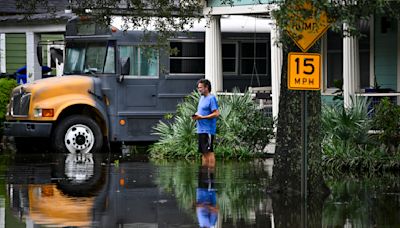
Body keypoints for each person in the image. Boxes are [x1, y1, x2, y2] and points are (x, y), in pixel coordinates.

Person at [192, 79, 219, 168]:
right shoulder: (202, 98)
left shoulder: (211, 98)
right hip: (200, 129)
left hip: (208, 130)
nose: (199, 89)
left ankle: (210, 176)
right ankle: (204, 175)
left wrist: (202, 117)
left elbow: (216, 113)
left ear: (206, 87)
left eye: (200, 87)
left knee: (209, 152)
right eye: (198, 88)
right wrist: (196, 115)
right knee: (203, 152)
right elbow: (202, 111)